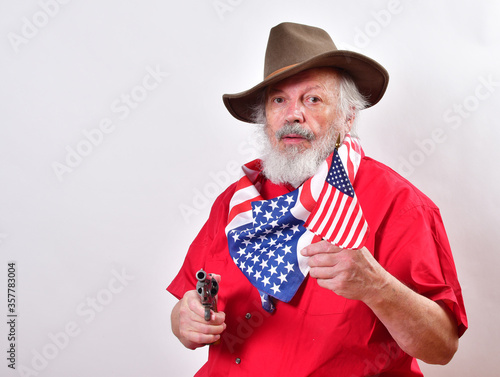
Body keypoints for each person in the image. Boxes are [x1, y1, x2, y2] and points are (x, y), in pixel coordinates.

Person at [167, 22, 467, 376]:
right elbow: (188, 303)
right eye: (279, 99)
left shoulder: (399, 205)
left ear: (347, 117)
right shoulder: (236, 202)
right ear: (265, 118)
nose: (293, 114)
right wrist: (183, 320)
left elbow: (442, 346)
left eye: (313, 99)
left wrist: (377, 286)